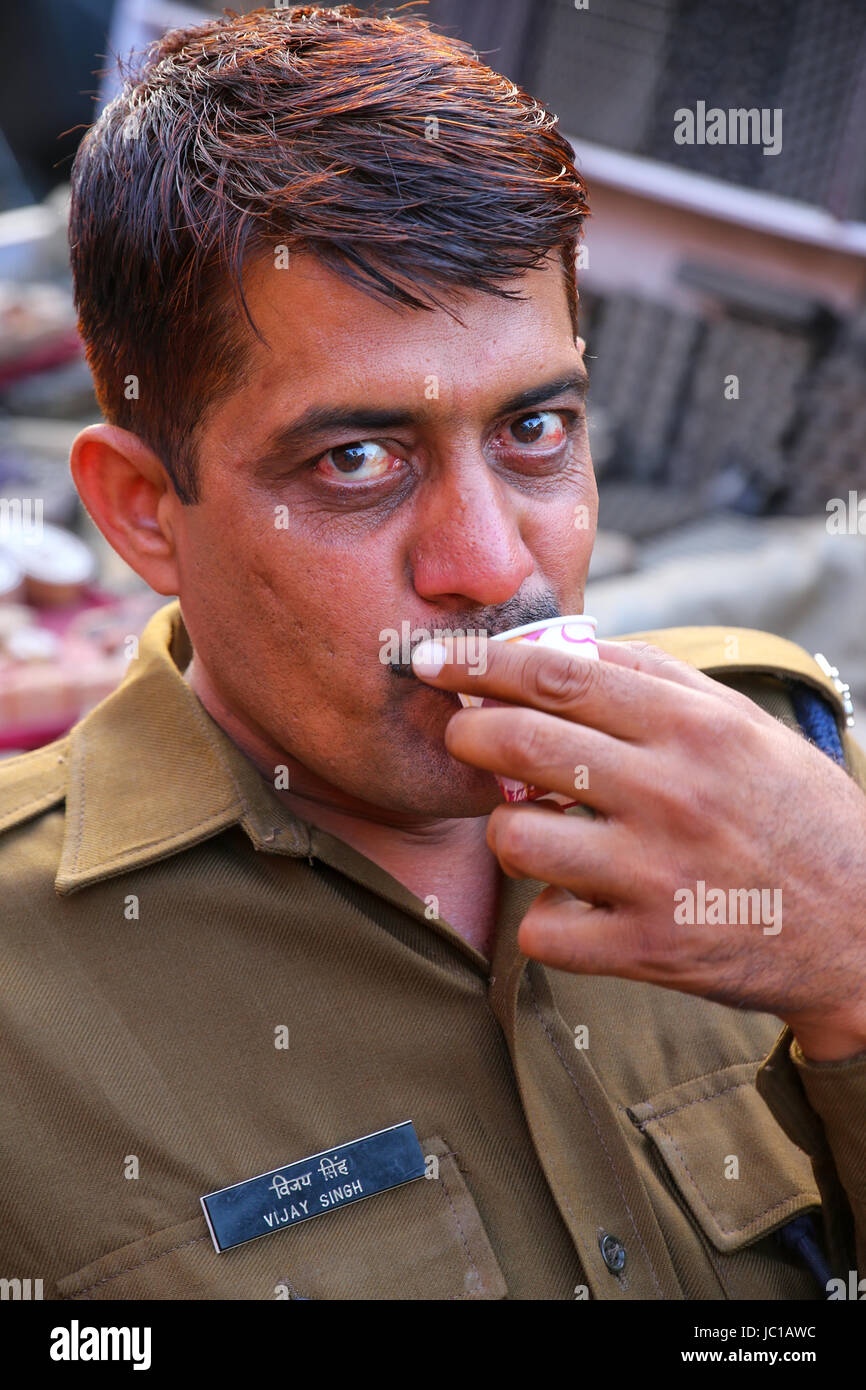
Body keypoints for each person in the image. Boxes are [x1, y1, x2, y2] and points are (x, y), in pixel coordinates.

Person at [1, 4, 864, 1301]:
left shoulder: (789, 773)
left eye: (533, 429)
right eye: (354, 460)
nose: (493, 564)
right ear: (138, 511)